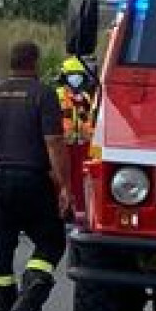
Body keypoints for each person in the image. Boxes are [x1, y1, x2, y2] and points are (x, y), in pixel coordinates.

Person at [0, 41, 72, 311]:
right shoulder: (43, 94)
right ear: (35, 62)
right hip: (32, 180)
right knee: (51, 240)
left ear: (12, 62)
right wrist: (64, 186)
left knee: (0, 250)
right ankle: (32, 290)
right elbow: (54, 143)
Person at [55, 55, 99, 221]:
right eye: (72, 75)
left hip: (82, 146)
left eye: (79, 75)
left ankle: (80, 213)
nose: (76, 79)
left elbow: (90, 121)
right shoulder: (58, 95)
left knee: (80, 181)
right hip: (62, 146)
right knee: (62, 180)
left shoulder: (86, 98)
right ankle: (61, 212)